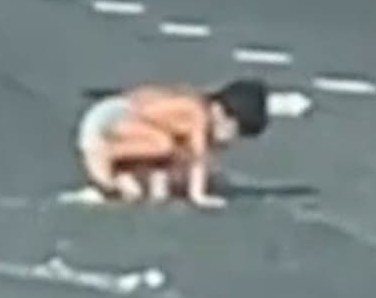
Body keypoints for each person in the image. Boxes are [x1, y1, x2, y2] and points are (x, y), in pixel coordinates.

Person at [75, 79, 269, 208]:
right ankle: (107, 156)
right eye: (233, 130)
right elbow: (198, 156)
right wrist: (198, 196)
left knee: (164, 157)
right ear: (219, 111)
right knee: (162, 144)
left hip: (129, 125)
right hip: (110, 120)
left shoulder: (190, 116)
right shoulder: (197, 114)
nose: (232, 139)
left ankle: (124, 172)